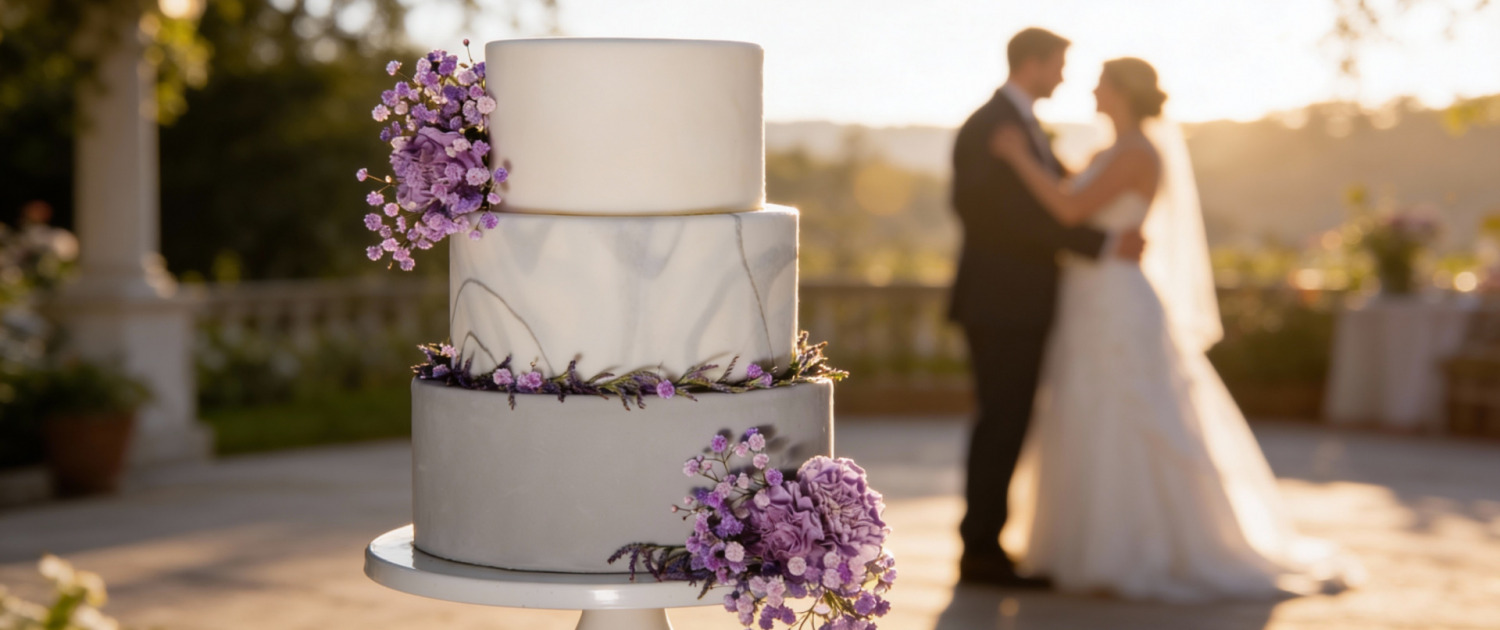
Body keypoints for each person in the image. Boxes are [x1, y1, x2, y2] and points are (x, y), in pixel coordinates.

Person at [991, 56, 1362, 601]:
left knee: (1126, 408)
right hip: (1088, 296)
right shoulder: (1109, 151)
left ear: (1122, 92)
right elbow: (1075, 198)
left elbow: (1069, 210)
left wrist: (1019, 157)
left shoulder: (1138, 152)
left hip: (1116, 297)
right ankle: (1084, 546)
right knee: (1084, 410)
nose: (1092, 90)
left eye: (1100, 83)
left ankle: (1135, 549)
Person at [947, 27, 1144, 588]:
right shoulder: (988, 126)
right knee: (1001, 423)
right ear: (1032, 64)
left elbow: (1057, 198)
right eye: (1058, 65)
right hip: (999, 304)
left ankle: (988, 545)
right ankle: (980, 552)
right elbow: (994, 217)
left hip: (1021, 305)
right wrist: (1099, 244)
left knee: (1010, 423)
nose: (1063, 77)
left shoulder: (1024, 126)